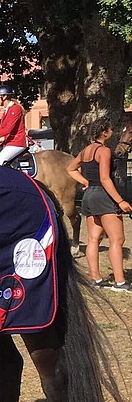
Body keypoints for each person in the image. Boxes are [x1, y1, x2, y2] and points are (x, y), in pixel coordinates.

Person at [67, 117, 132, 291]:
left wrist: (85, 182)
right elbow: (105, 178)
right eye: (111, 129)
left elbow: (71, 169)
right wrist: (120, 200)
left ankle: (95, 278)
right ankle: (119, 282)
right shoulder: (104, 151)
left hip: (89, 196)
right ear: (105, 132)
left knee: (93, 239)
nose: (113, 132)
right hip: (104, 196)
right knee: (117, 239)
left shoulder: (86, 150)